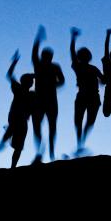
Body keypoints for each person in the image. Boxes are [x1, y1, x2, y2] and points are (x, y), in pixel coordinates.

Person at [0, 50, 35, 168]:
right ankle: (5, 140)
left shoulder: (31, 94)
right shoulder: (18, 88)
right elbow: (9, 75)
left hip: (22, 119)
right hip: (16, 116)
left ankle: (13, 165)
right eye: (30, 81)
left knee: (18, 146)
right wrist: (14, 62)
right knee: (13, 129)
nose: (31, 82)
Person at [32, 25, 65, 162]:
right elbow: (34, 52)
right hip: (41, 100)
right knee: (38, 127)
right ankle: (42, 151)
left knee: (51, 127)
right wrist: (38, 39)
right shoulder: (39, 65)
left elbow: (62, 80)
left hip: (50, 100)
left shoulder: (54, 67)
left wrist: (54, 85)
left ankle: (50, 152)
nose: (47, 57)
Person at [70, 27, 105, 155]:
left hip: (91, 97)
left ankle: (81, 142)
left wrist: (73, 38)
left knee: (86, 121)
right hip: (87, 96)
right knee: (81, 121)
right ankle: (80, 142)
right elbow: (72, 53)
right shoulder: (79, 66)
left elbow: (103, 79)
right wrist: (73, 39)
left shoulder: (91, 68)